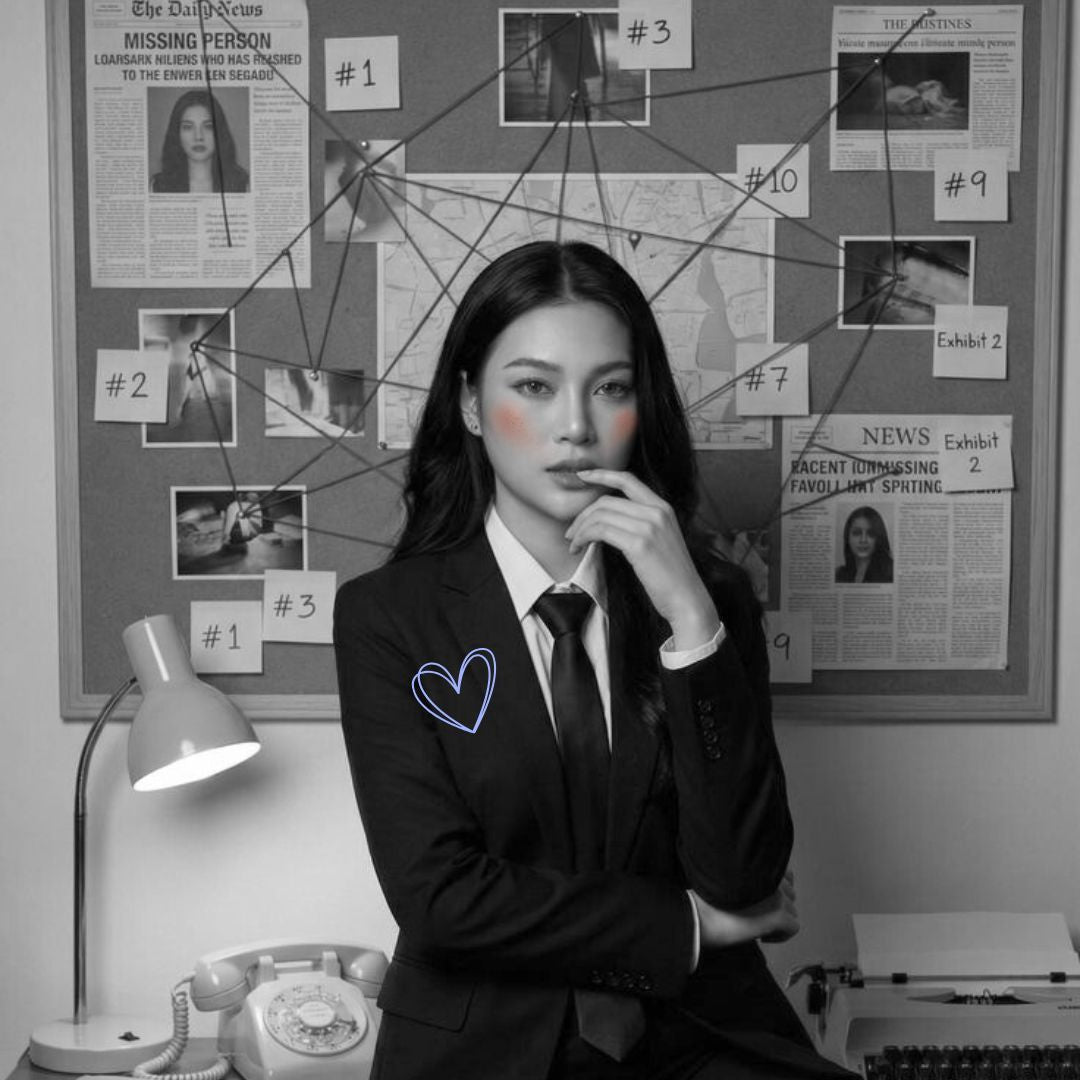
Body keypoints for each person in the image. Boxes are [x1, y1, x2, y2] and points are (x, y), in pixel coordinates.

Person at [334, 241, 855, 1080]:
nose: (576, 426)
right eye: (534, 387)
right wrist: (690, 926)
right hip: (482, 1047)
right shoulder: (387, 617)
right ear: (470, 404)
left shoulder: (710, 599)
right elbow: (440, 899)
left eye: (610, 388)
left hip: (699, 1038)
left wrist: (692, 619)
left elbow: (743, 875)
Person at [150, 90, 249, 194]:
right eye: (188, 127)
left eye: (208, 127)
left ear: (219, 131)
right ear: (177, 133)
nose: (198, 137)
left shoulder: (243, 185)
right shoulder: (157, 186)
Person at [835, 505, 894, 584]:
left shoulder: (892, 574)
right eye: (857, 533)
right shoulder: (838, 575)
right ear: (847, 537)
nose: (863, 540)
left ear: (879, 538)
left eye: (871, 533)